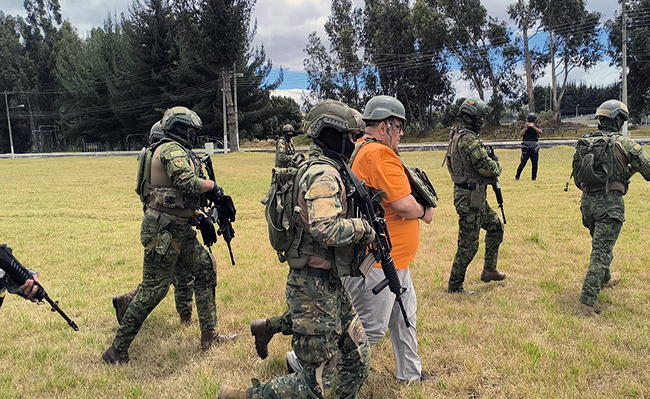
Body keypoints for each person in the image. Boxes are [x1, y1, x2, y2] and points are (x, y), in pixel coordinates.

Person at [218, 100, 372, 399]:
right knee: (316, 385)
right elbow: (324, 227)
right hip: (312, 286)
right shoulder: (322, 175)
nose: (356, 143)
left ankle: (270, 328)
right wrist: (362, 228)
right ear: (334, 134)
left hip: (330, 284)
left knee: (357, 358)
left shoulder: (330, 168)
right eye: (353, 137)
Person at [102, 106, 238, 365]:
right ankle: (116, 350)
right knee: (154, 290)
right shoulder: (171, 149)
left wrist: (198, 213)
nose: (194, 135)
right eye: (190, 130)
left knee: (205, 270)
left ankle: (209, 335)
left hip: (178, 228)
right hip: (164, 231)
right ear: (178, 129)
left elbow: (177, 195)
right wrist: (213, 187)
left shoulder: (170, 149)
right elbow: (187, 183)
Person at [340, 95, 434, 383]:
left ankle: (410, 375)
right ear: (383, 127)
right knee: (370, 329)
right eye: (399, 126)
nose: (402, 133)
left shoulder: (359, 149)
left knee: (405, 318)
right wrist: (425, 209)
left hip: (391, 260)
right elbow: (404, 205)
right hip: (377, 262)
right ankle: (306, 367)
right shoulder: (379, 154)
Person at [112, 121, 196, 326]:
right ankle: (184, 318)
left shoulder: (150, 158)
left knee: (164, 275)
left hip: (160, 221)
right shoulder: (163, 159)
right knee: (169, 278)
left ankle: (127, 300)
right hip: (166, 224)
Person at [574, 100, 650, 318]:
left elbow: (578, 180)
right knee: (601, 252)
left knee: (600, 246)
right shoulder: (623, 143)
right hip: (610, 207)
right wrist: (629, 170)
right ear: (618, 120)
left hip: (587, 205)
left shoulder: (585, 142)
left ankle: (605, 278)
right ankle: (586, 305)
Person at [444, 98, 505, 294]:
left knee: (495, 227)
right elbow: (487, 167)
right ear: (470, 118)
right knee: (468, 245)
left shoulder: (457, 135)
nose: (481, 121)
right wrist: (498, 166)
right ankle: (455, 285)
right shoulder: (469, 139)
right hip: (470, 197)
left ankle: (489, 270)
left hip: (474, 195)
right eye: (479, 117)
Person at [515, 112, 543, 181]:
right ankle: (517, 176)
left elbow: (540, 132)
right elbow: (521, 134)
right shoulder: (524, 126)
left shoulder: (537, 126)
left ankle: (534, 178)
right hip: (526, 147)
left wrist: (534, 127)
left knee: (535, 163)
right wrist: (525, 127)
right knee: (523, 163)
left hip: (534, 147)